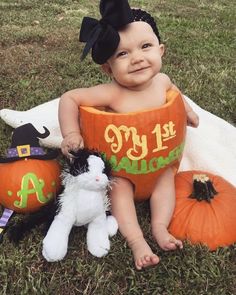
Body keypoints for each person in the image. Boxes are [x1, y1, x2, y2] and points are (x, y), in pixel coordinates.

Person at [58, 0, 199, 270]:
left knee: (165, 182)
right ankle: (136, 240)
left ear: (161, 50)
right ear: (108, 69)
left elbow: (175, 94)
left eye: (145, 47)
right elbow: (70, 98)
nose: (136, 58)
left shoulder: (162, 81)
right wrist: (71, 132)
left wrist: (187, 111)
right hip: (125, 169)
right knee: (119, 189)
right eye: (122, 54)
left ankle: (159, 227)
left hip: (157, 164)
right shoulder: (113, 93)